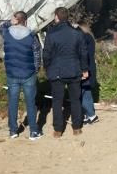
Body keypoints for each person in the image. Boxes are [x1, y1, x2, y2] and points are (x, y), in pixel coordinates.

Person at [43, 7, 88, 137]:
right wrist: (84, 69)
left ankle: (58, 130)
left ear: (56, 17)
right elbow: (83, 53)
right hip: (74, 70)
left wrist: (47, 68)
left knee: (57, 101)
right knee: (75, 100)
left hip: (56, 71)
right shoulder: (77, 33)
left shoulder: (51, 34)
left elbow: (46, 54)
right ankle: (77, 127)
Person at [0, 11, 42, 140]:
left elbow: (0, 27)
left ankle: (13, 130)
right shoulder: (31, 36)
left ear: (15, 20)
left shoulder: (6, 33)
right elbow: (37, 55)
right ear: (26, 21)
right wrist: (35, 69)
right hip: (28, 73)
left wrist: (9, 22)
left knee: (13, 102)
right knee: (31, 103)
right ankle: (33, 131)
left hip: (12, 73)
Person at [76, 23, 99, 125]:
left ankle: (91, 115)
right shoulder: (89, 37)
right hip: (90, 67)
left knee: (81, 92)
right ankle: (88, 115)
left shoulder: (84, 38)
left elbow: (82, 54)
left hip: (85, 68)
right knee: (86, 92)